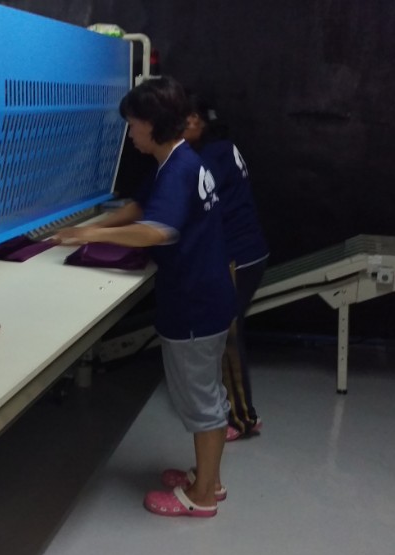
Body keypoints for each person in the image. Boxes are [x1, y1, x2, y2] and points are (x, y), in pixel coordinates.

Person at [52, 77, 235, 517]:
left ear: (152, 124)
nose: (130, 132)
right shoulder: (180, 159)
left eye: (133, 123)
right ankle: (207, 478)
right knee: (207, 393)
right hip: (206, 294)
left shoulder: (178, 168)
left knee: (202, 402)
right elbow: (143, 205)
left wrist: (88, 236)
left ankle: (202, 497)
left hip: (193, 304)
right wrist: (92, 227)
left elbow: (157, 230)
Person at [183, 94, 270, 441]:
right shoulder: (222, 148)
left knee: (227, 337)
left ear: (202, 121)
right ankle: (235, 411)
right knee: (226, 333)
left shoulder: (210, 156)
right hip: (247, 251)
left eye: (189, 117)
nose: (183, 124)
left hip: (238, 255)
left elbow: (194, 201)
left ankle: (242, 419)